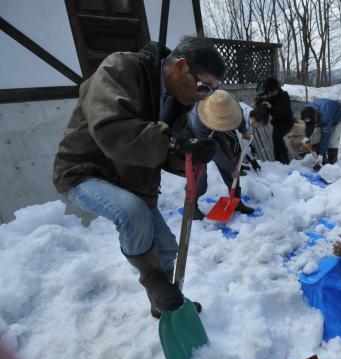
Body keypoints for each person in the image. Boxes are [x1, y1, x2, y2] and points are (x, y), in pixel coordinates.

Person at [53, 36, 224, 318]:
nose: (202, 96)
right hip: (83, 172)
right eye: (203, 86)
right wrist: (173, 143)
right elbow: (112, 129)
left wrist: (190, 154)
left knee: (168, 249)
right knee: (132, 213)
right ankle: (155, 283)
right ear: (181, 67)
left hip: (130, 181)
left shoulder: (175, 102)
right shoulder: (120, 68)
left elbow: (164, 151)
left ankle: (165, 304)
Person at [185, 90, 255, 220]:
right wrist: (232, 168)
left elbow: (238, 116)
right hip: (195, 139)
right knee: (199, 178)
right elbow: (214, 152)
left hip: (214, 130)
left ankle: (236, 201)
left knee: (231, 162)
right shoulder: (197, 120)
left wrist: (244, 131)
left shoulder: (228, 102)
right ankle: (191, 207)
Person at [254, 77, 295, 164]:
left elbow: (286, 112)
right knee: (276, 143)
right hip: (277, 122)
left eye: (272, 92)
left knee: (278, 139)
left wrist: (271, 107)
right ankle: (279, 163)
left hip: (287, 122)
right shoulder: (269, 95)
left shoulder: (284, 95)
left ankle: (283, 162)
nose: (270, 94)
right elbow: (260, 102)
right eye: (269, 92)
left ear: (276, 89)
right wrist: (257, 104)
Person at [300, 99, 341, 171]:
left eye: (313, 121)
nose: (313, 123)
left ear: (315, 115)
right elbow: (309, 126)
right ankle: (323, 162)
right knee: (315, 138)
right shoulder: (308, 112)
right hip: (325, 117)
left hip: (339, 118)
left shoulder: (325, 115)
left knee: (332, 142)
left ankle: (332, 164)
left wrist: (321, 154)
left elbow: (325, 136)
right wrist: (307, 136)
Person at [239, 101, 271, 166]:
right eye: (260, 125)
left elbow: (246, 142)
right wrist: (251, 159)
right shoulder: (242, 120)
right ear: (254, 119)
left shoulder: (252, 117)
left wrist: (252, 159)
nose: (259, 127)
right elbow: (242, 143)